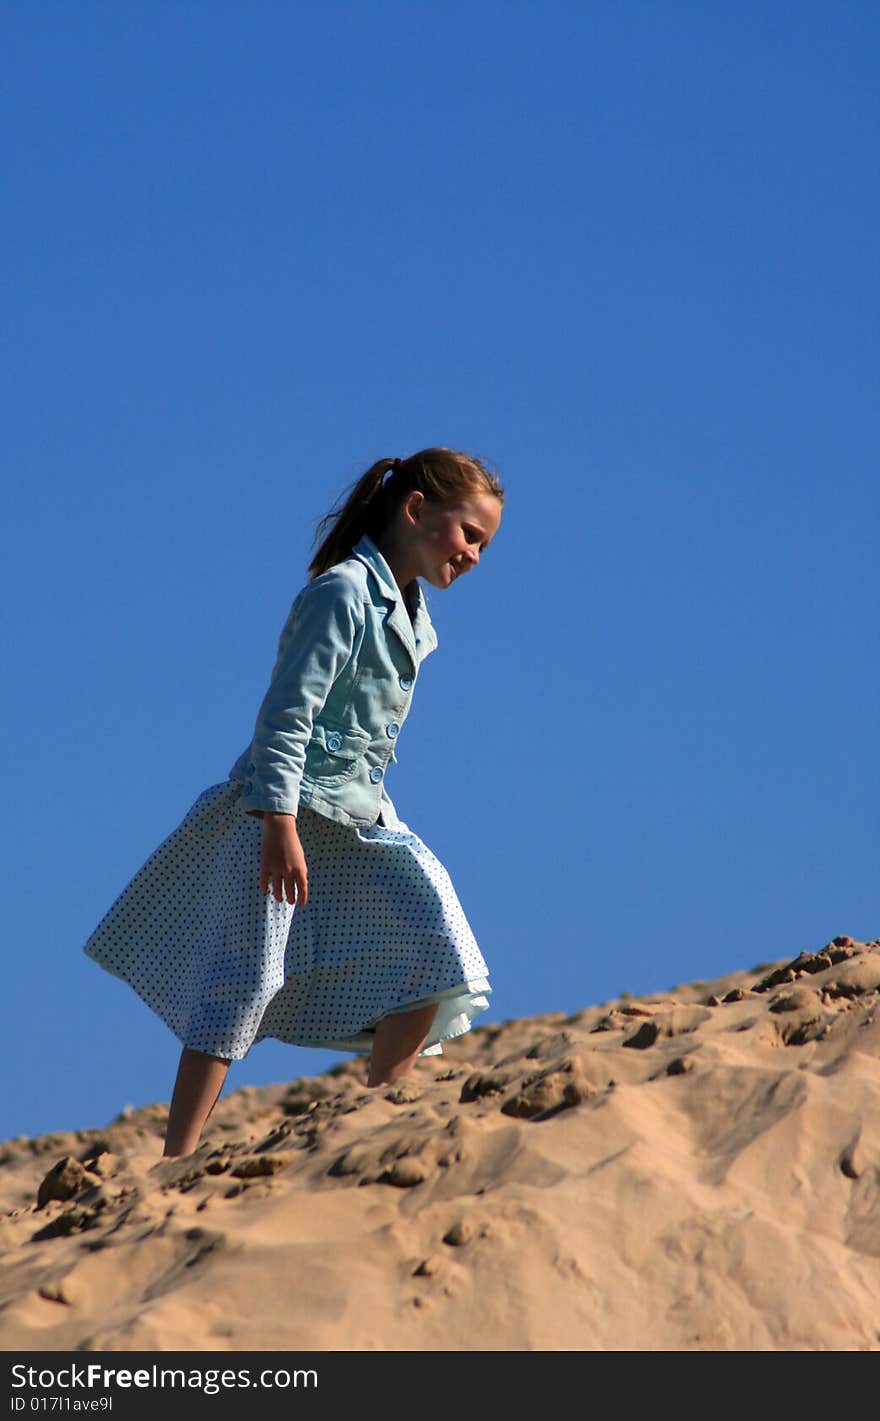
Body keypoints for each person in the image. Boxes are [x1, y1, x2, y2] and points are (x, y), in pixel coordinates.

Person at [83, 447, 504, 1157]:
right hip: (281, 811)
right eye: (470, 533)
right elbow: (285, 717)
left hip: (357, 816)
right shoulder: (342, 592)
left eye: (485, 544)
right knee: (242, 984)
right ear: (416, 510)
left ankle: (379, 1116)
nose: (475, 555)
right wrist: (278, 822)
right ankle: (177, 1156)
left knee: (434, 945)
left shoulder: (409, 608)